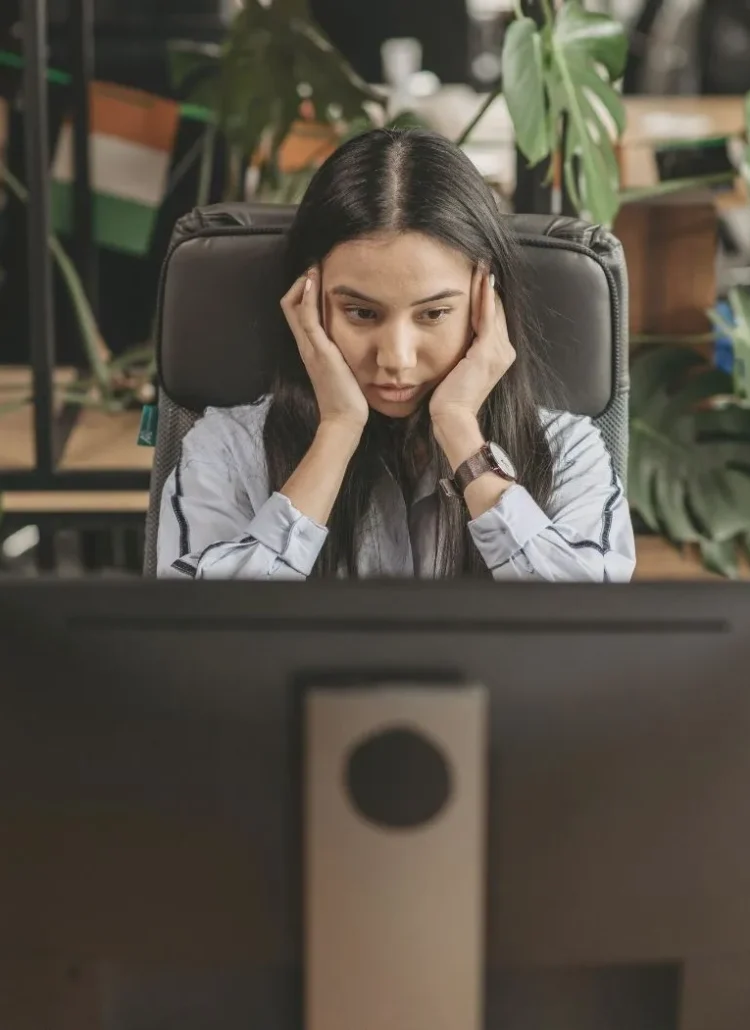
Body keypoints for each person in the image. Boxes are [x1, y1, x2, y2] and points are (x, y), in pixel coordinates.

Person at [157, 128, 635, 582]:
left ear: (487, 304)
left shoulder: (566, 450)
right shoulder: (226, 449)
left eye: (433, 314)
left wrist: (462, 434)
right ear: (307, 298)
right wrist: (337, 431)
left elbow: (587, 630)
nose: (396, 359)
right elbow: (198, 634)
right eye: (362, 312)